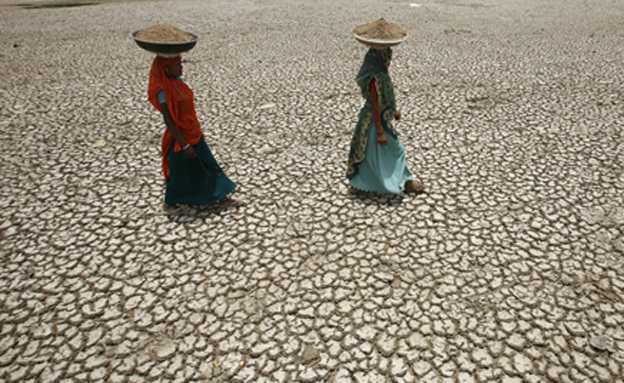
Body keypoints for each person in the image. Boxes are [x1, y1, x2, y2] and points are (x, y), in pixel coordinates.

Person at [148, 55, 240, 214]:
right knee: (178, 172)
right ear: (166, 69)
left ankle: (221, 198)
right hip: (179, 137)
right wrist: (183, 144)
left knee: (208, 164)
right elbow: (168, 120)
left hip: (193, 132)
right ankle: (169, 204)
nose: (181, 68)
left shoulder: (179, 82)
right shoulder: (163, 90)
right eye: (177, 65)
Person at [346, 43, 425, 195]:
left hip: (374, 120)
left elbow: (384, 99)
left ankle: (359, 184)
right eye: (386, 56)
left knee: (370, 153)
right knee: (396, 151)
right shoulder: (376, 79)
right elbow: (375, 105)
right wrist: (380, 131)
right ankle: (406, 181)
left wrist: (394, 112)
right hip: (375, 122)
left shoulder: (380, 75)